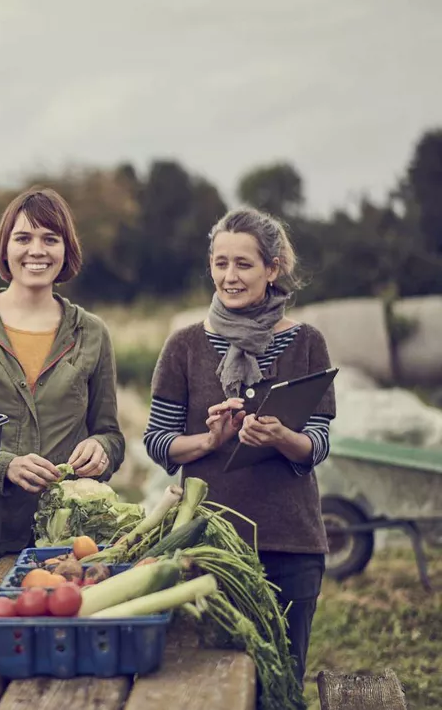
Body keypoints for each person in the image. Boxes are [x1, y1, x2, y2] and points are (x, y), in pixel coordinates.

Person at [143, 206, 335, 685]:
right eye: (220, 262)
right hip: (206, 547)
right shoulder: (184, 346)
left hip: (290, 544)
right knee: (209, 687)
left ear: (272, 270)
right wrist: (211, 439)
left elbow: (318, 443)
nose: (230, 276)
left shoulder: (306, 342)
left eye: (244, 264)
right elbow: (158, 442)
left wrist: (282, 437)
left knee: (281, 683)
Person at [0, 186, 126, 562]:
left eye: (50, 239)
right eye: (23, 238)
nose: (37, 250)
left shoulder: (92, 332)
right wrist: (6, 467)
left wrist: (102, 450)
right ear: (5, 247)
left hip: (64, 541)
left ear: (66, 250)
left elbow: (111, 433)